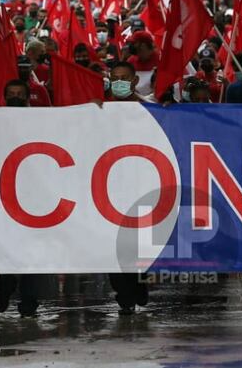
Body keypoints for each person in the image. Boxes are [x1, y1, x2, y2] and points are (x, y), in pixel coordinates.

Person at [0, 80, 44, 316]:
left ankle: (29, 301)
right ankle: (4, 288)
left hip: (34, 200)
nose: (15, 97)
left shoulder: (42, 123)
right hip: (4, 199)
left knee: (32, 254)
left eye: (19, 94)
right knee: (8, 253)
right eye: (11, 93)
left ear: (27, 98)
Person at [104, 61, 150, 313]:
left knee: (137, 244)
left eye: (124, 77)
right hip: (108, 188)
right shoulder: (99, 109)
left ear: (134, 81)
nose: (119, 81)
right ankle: (124, 294)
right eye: (114, 77)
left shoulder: (148, 108)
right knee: (113, 245)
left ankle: (139, 285)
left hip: (141, 185)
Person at [125, 31, 159, 98]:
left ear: (143, 45)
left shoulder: (160, 60)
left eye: (134, 43)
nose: (131, 46)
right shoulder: (131, 61)